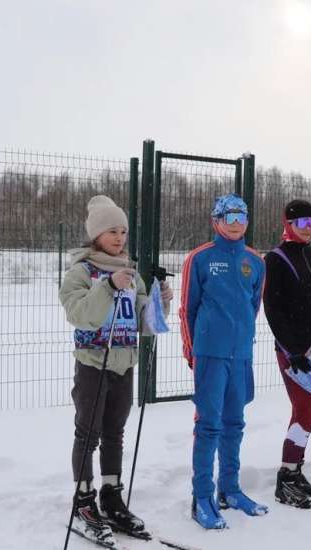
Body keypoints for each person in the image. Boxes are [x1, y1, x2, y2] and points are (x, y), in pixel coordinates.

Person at [60, 195, 173, 543]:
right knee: (88, 432)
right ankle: (83, 500)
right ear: (95, 234)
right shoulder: (81, 272)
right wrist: (108, 286)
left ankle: (111, 496)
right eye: (112, 231)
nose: (119, 237)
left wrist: (160, 301)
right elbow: (82, 316)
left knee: (115, 432)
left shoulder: (131, 272)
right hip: (94, 362)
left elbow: (146, 323)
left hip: (124, 363)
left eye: (123, 231)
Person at [179, 193, 267, 529]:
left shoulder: (255, 261)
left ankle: (229, 489)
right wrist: (192, 349)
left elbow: (252, 305)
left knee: (235, 422)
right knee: (209, 424)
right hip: (210, 355)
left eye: (241, 218)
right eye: (229, 218)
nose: (235, 225)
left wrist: (241, 338)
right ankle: (202, 495)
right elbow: (189, 307)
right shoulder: (199, 258)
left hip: (241, 354)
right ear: (216, 220)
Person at [263, 199, 311, 509]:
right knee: (307, 411)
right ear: (288, 225)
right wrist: (293, 350)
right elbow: (274, 309)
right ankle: (287, 474)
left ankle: (295, 471)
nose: (308, 230)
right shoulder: (276, 259)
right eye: (301, 224)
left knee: (304, 412)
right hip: (294, 351)